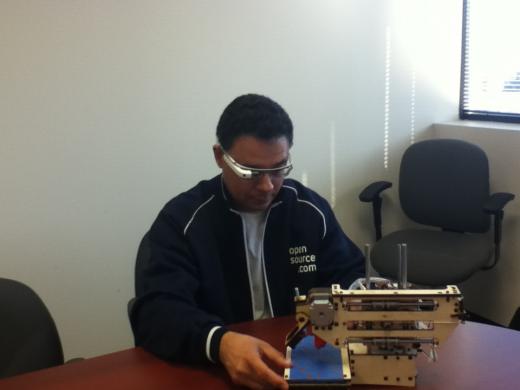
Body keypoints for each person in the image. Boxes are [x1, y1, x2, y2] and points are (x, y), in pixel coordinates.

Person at [129, 93, 364, 389]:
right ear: (219, 157)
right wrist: (220, 344)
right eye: (250, 172)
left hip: (301, 365)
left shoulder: (309, 210)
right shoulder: (183, 221)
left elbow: (347, 274)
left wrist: (361, 296)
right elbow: (157, 311)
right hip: (216, 369)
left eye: (278, 169)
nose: (267, 186)